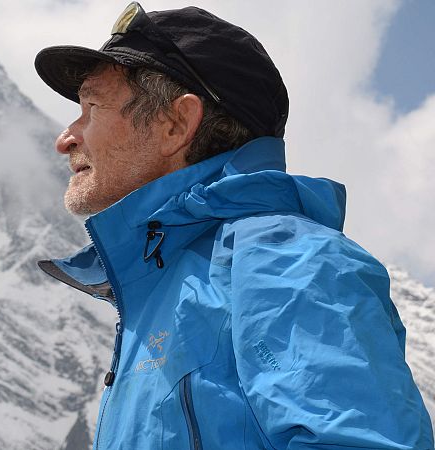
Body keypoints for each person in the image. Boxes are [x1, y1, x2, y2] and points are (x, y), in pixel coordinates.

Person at [34, 3, 433, 449]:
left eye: (92, 107)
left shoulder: (286, 262)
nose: (66, 138)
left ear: (175, 125)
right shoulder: (168, 285)